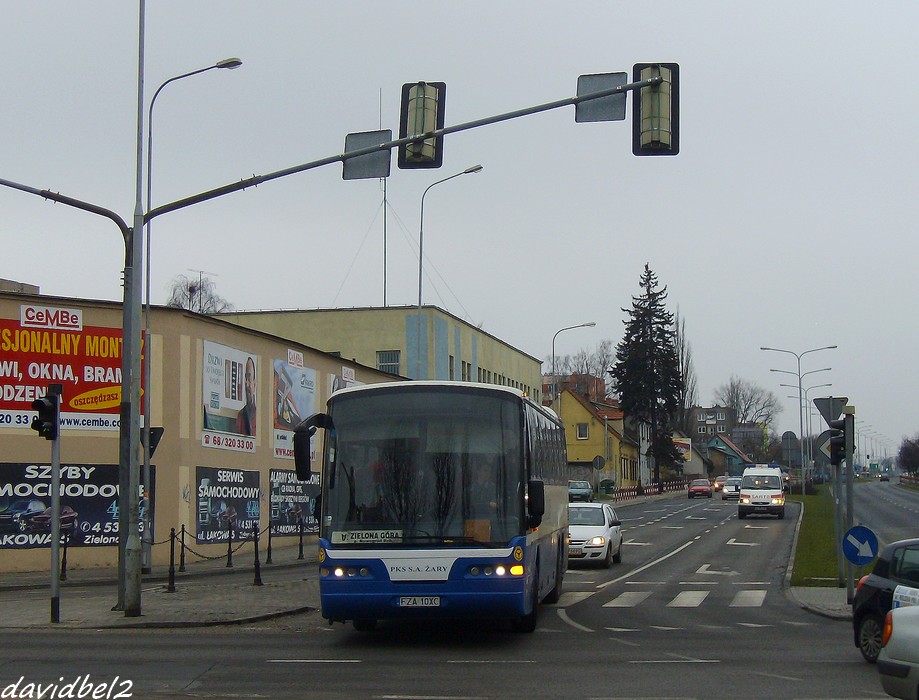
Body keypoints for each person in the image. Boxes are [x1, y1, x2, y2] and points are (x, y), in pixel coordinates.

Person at [236, 356, 257, 436]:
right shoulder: (241, 414)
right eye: (245, 378)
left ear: (254, 384)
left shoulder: (260, 415)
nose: (246, 383)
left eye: (249, 379)